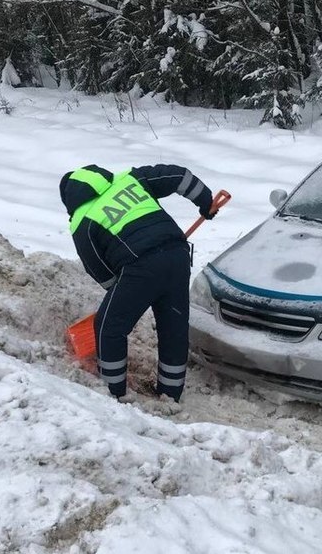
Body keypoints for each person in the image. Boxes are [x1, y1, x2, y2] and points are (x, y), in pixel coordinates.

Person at [59, 164, 216, 402]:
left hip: (140, 267)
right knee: (173, 325)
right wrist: (205, 200)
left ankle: (112, 393)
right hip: (177, 255)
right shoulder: (129, 179)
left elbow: (100, 271)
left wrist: (125, 292)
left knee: (108, 327)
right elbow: (177, 176)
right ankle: (170, 394)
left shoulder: (82, 221)